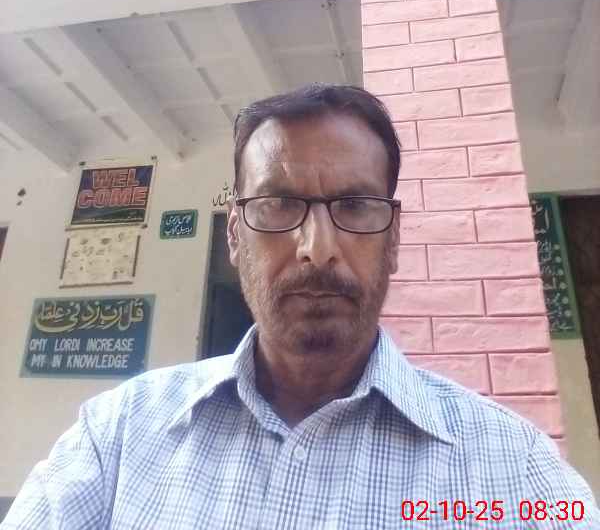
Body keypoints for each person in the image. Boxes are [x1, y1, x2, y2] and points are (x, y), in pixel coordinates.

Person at [3, 84, 599, 529]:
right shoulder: (119, 435)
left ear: (393, 240)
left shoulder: (512, 469)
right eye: (279, 205)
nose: (317, 248)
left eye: (356, 206)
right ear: (234, 235)